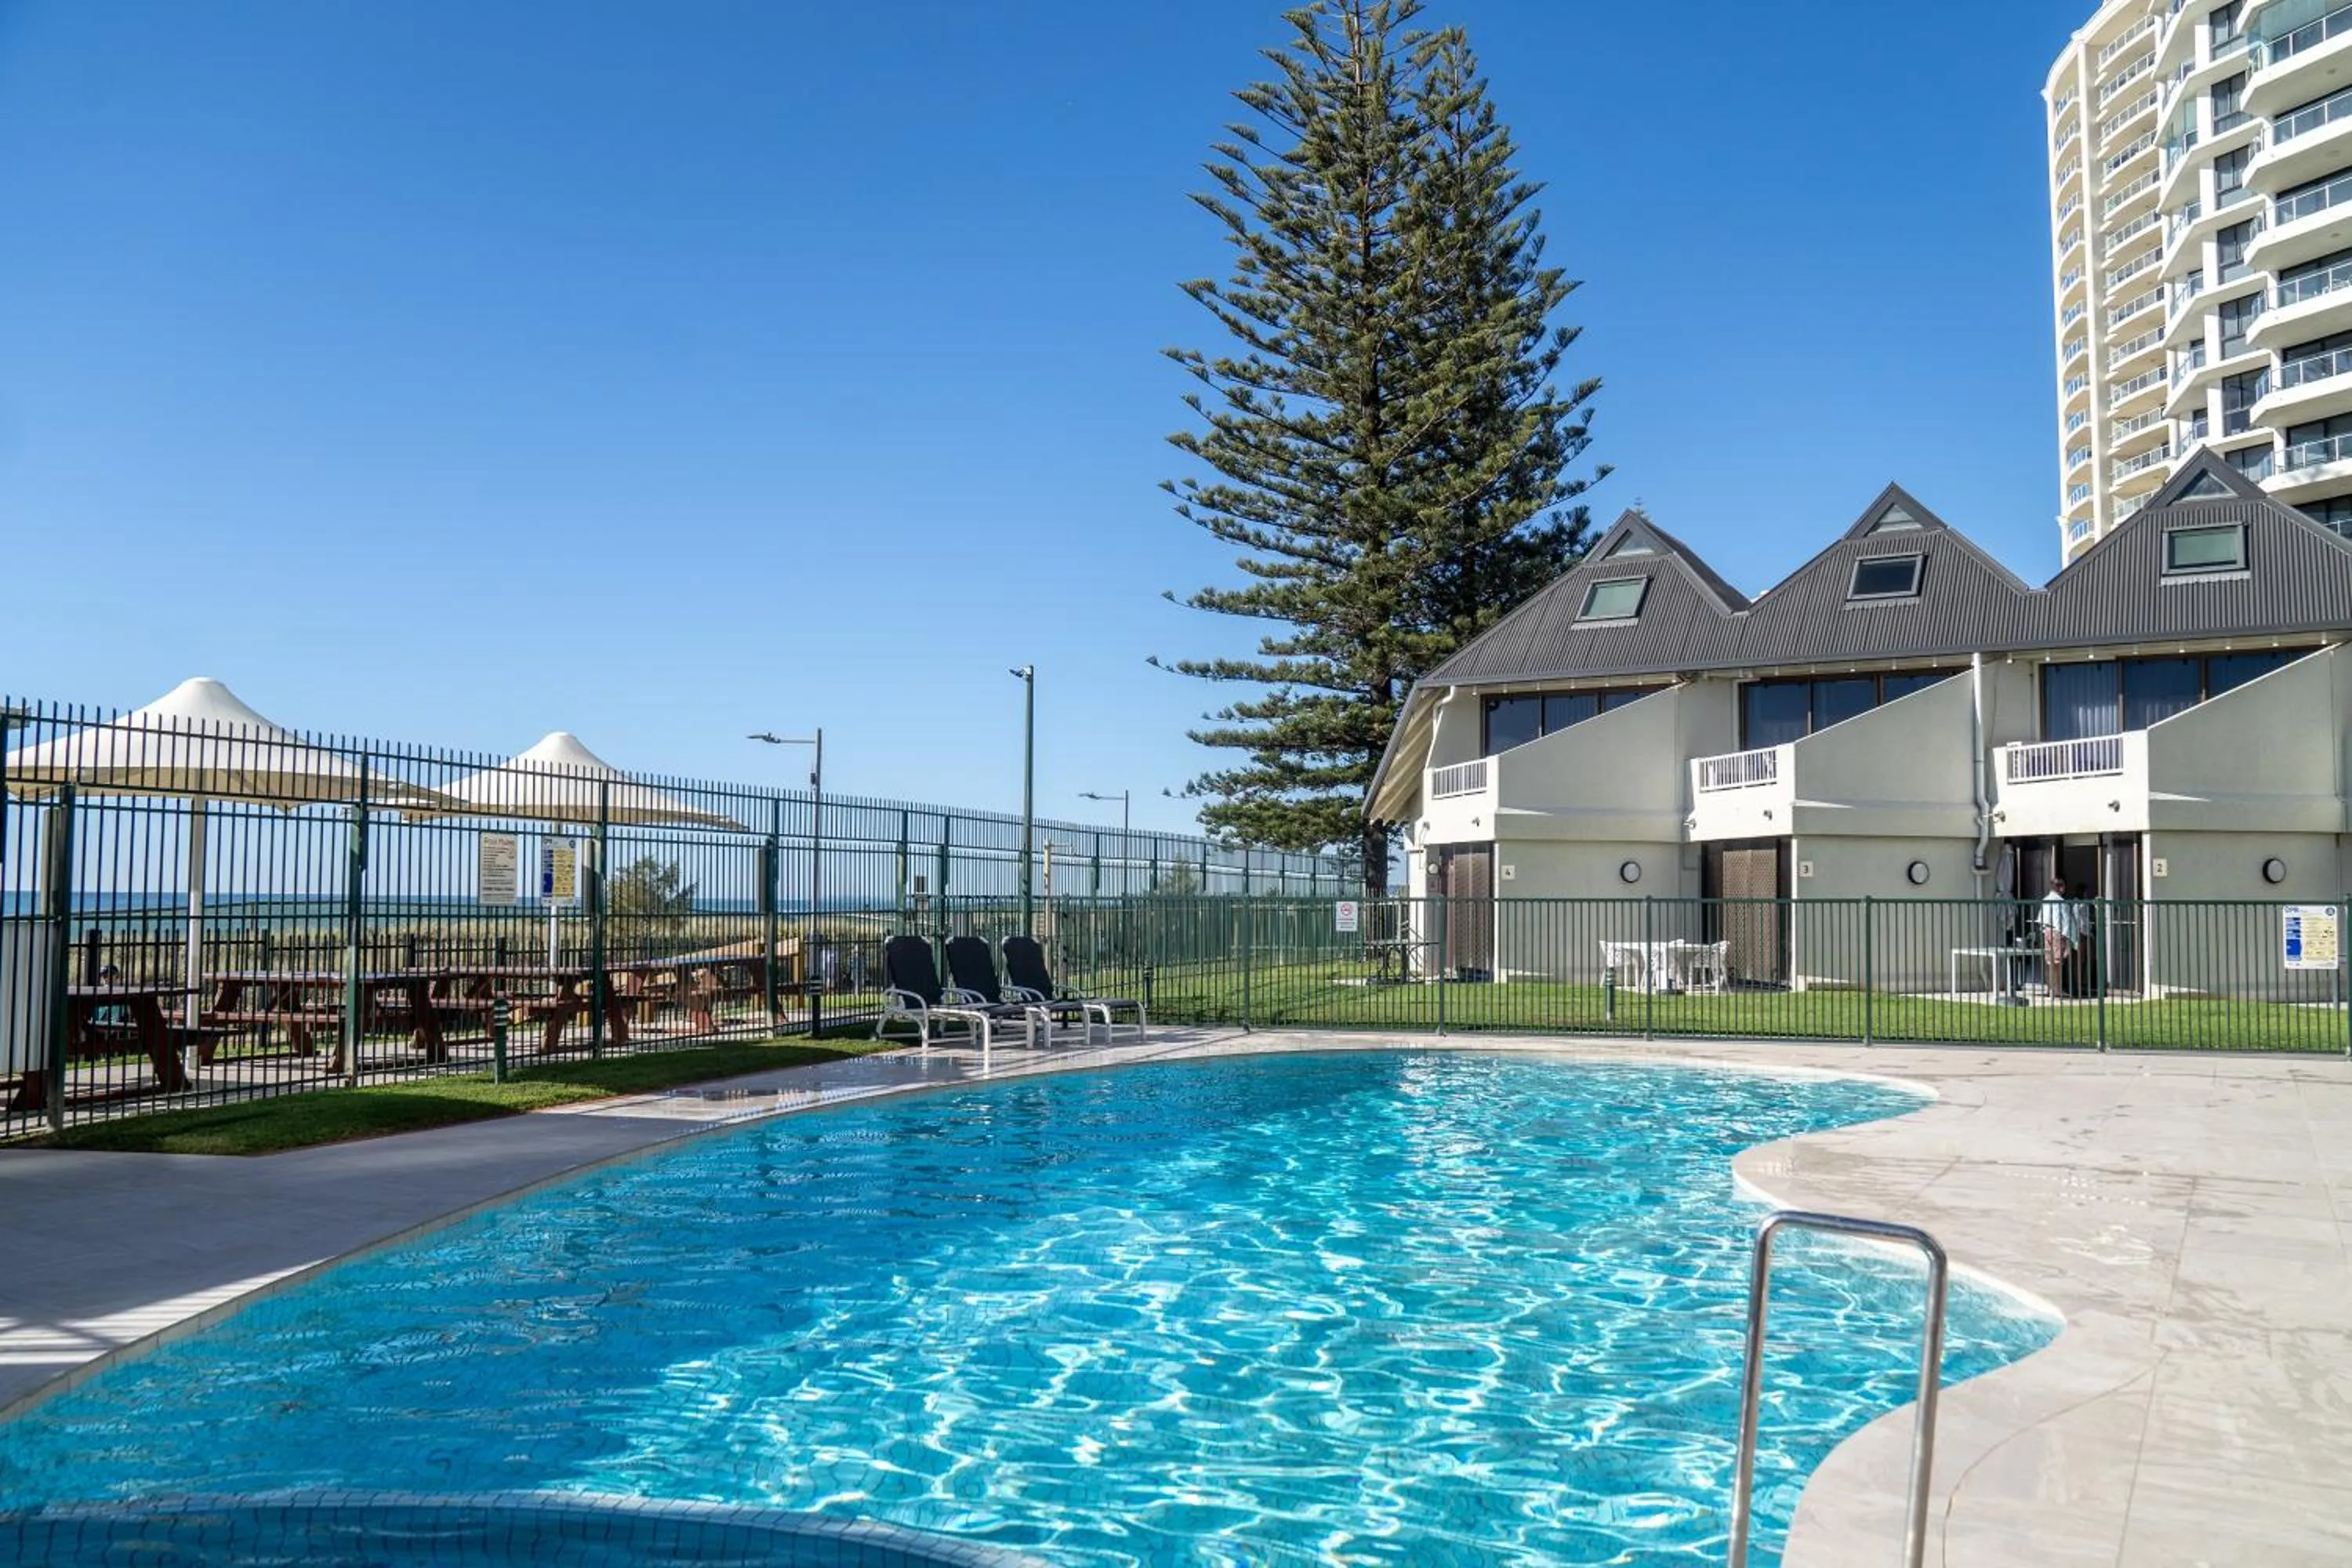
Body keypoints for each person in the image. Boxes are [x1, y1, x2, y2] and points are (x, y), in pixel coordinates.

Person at [2039, 878, 2083, 996]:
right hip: (2056, 932)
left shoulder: (2045, 900)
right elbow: (2065, 920)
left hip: (2047, 931)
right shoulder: (2060, 902)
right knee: (2057, 962)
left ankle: (2049, 988)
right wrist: (2066, 937)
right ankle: (2057, 990)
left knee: (2049, 962)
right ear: (2061, 888)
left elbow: (2041, 918)